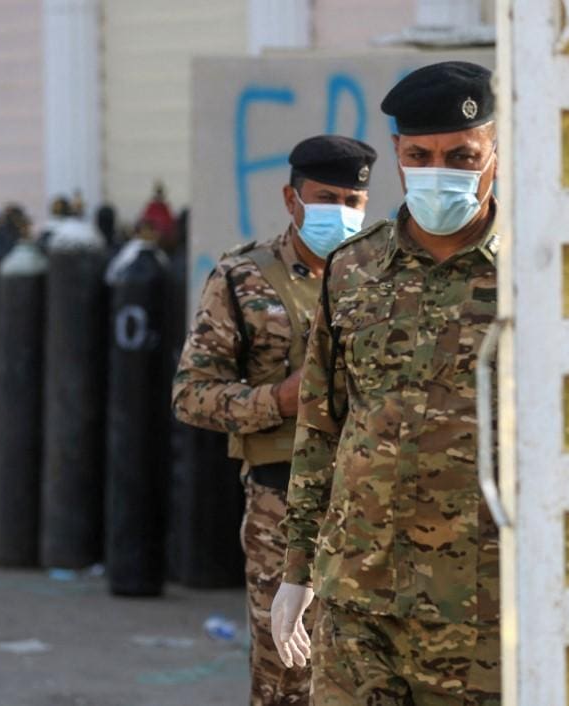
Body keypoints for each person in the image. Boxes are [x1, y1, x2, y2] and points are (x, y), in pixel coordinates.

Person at [271, 62, 502, 706]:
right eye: (421, 155)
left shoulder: (536, 273)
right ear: (399, 160)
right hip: (356, 599)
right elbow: (322, 427)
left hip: (483, 607)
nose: (440, 170)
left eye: (461, 155)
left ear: (494, 153)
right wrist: (297, 571)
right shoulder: (354, 269)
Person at [173, 135, 377, 706]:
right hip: (280, 506)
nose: (340, 212)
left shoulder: (382, 278)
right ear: (292, 199)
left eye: (352, 200)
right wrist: (278, 401)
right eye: (324, 197)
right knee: (288, 678)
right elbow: (191, 394)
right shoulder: (243, 278)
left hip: (372, 501)